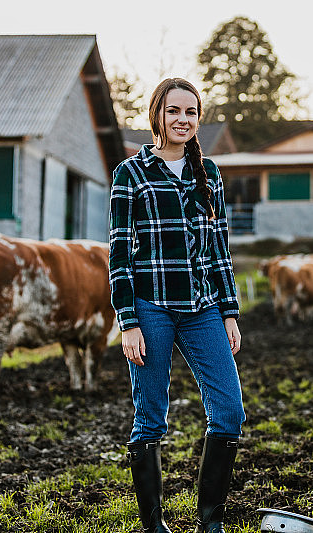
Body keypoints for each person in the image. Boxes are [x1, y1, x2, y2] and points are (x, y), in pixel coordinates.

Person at [109, 77, 245, 533]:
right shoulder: (132, 174)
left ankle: (210, 522)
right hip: (150, 308)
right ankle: (155, 526)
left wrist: (228, 311)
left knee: (229, 410)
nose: (182, 120)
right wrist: (128, 321)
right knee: (151, 415)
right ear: (157, 117)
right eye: (173, 111)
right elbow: (120, 254)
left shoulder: (211, 175)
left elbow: (219, 249)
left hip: (202, 307)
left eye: (191, 113)